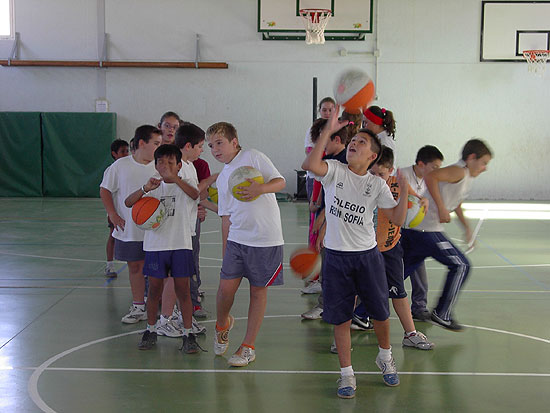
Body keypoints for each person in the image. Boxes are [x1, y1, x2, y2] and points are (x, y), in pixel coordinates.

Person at [302, 107, 408, 398]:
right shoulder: (334, 171)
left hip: (368, 257)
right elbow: (309, 163)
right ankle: (347, 375)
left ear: (372, 156)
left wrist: (406, 191)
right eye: (353, 140)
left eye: (362, 142)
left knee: (380, 313)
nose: (355, 143)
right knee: (341, 318)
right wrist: (328, 129)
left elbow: (397, 220)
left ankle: (385, 358)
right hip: (336, 259)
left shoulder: (376, 184)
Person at [207, 121, 285, 367]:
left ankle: (248, 346)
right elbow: (226, 218)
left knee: (257, 291)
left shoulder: (254, 157)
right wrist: (224, 249)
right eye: (210, 146)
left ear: (234, 141)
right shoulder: (222, 179)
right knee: (224, 291)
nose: (215, 149)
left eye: (219, 143)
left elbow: (280, 182)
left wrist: (261, 188)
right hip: (237, 240)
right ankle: (223, 323)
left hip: (265, 238)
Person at [402, 139, 492, 330]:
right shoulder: (459, 170)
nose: (485, 168)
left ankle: (361, 313)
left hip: (419, 232)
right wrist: (441, 208)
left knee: (397, 276)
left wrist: (466, 227)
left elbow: (455, 201)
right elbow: (431, 177)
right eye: (484, 163)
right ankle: (442, 313)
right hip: (426, 230)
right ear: (471, 158)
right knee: (461, 265)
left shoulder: (465, 176)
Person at [125, 144, 202, 353]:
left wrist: (175, 178)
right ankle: (151, 330)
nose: (165, 166)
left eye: (171, 162)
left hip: (181, 246)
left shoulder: (184, 185)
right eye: (161, 162)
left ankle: (188, 334)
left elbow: (195, 195)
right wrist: (144, 190)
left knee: (183, 291)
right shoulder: (152, 186)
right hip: (155, 247)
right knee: (155, 291)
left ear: (179, 166)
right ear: (155, 165)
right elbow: (128, 202)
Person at [370, 147, 434, 350]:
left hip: (390, 247)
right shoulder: (364, 185)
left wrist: (422, 200)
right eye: (373, 173)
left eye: (381, 174)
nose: (377, 177)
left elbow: (416, 198)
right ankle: (347, 328)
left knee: (398, 292)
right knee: (355, 290)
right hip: (365, 249)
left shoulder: (398, 184)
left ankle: (410, 333)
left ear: (390, 170)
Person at [100, 126, 162, 323]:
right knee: (135, 267)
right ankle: (138, 306)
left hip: (157, 229)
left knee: (156, 269)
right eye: (156, 144)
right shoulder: (119, 166)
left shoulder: (160, 166)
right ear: (142, 143)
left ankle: (157, 305)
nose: (159, 148)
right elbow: (105, 190)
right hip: (130, 229)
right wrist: (113, 214)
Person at [301, 118, 348, 318]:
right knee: (328, 267)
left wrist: (324, 225)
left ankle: (350, 311)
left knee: (339, 271)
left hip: (344, 227)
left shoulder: (346, 161)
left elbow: (342, 202)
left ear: (335, 139)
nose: (318, 145)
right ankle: (326, 306)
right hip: (331, 220)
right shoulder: (332, 159)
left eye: (323, 139)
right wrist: (320, 210)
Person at [174, 122, 218, 321]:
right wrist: (210, 180)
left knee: (190, 266)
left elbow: (199, 198)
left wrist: (224, 212)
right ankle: (171, 313)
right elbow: (193, 193)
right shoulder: (175, 167)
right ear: (188, 146)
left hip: (190, 228)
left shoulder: (191, 166)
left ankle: (190, 305)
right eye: (201, 146)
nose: (203, 150)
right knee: (174, 273)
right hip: (175, 230)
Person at [400, 145, 444, 321]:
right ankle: (367, 307)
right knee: (389, 272)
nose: (437, 172)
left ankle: (419, 307)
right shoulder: (401, 175)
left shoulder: (432, 182)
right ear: (420, 164)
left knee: (418, 269)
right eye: (434, 167)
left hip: (417, 232)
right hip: (397, 231)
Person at [104, 139, 129, 278]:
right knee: (113, 236)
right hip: (115, 211)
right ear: (114, 154)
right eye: (122, 152)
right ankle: (109, 265)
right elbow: (106, 191)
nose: (126, 154)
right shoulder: (112, 170)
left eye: (127, 151)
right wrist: (111, 212)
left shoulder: (128, 168)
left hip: (127, 211)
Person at [363, 106, 397, 171]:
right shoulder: (377, 137)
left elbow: (386, 165)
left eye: (366, 123)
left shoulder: (385, 140)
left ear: (375, 123)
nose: (364, 126)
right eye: (363, 123)